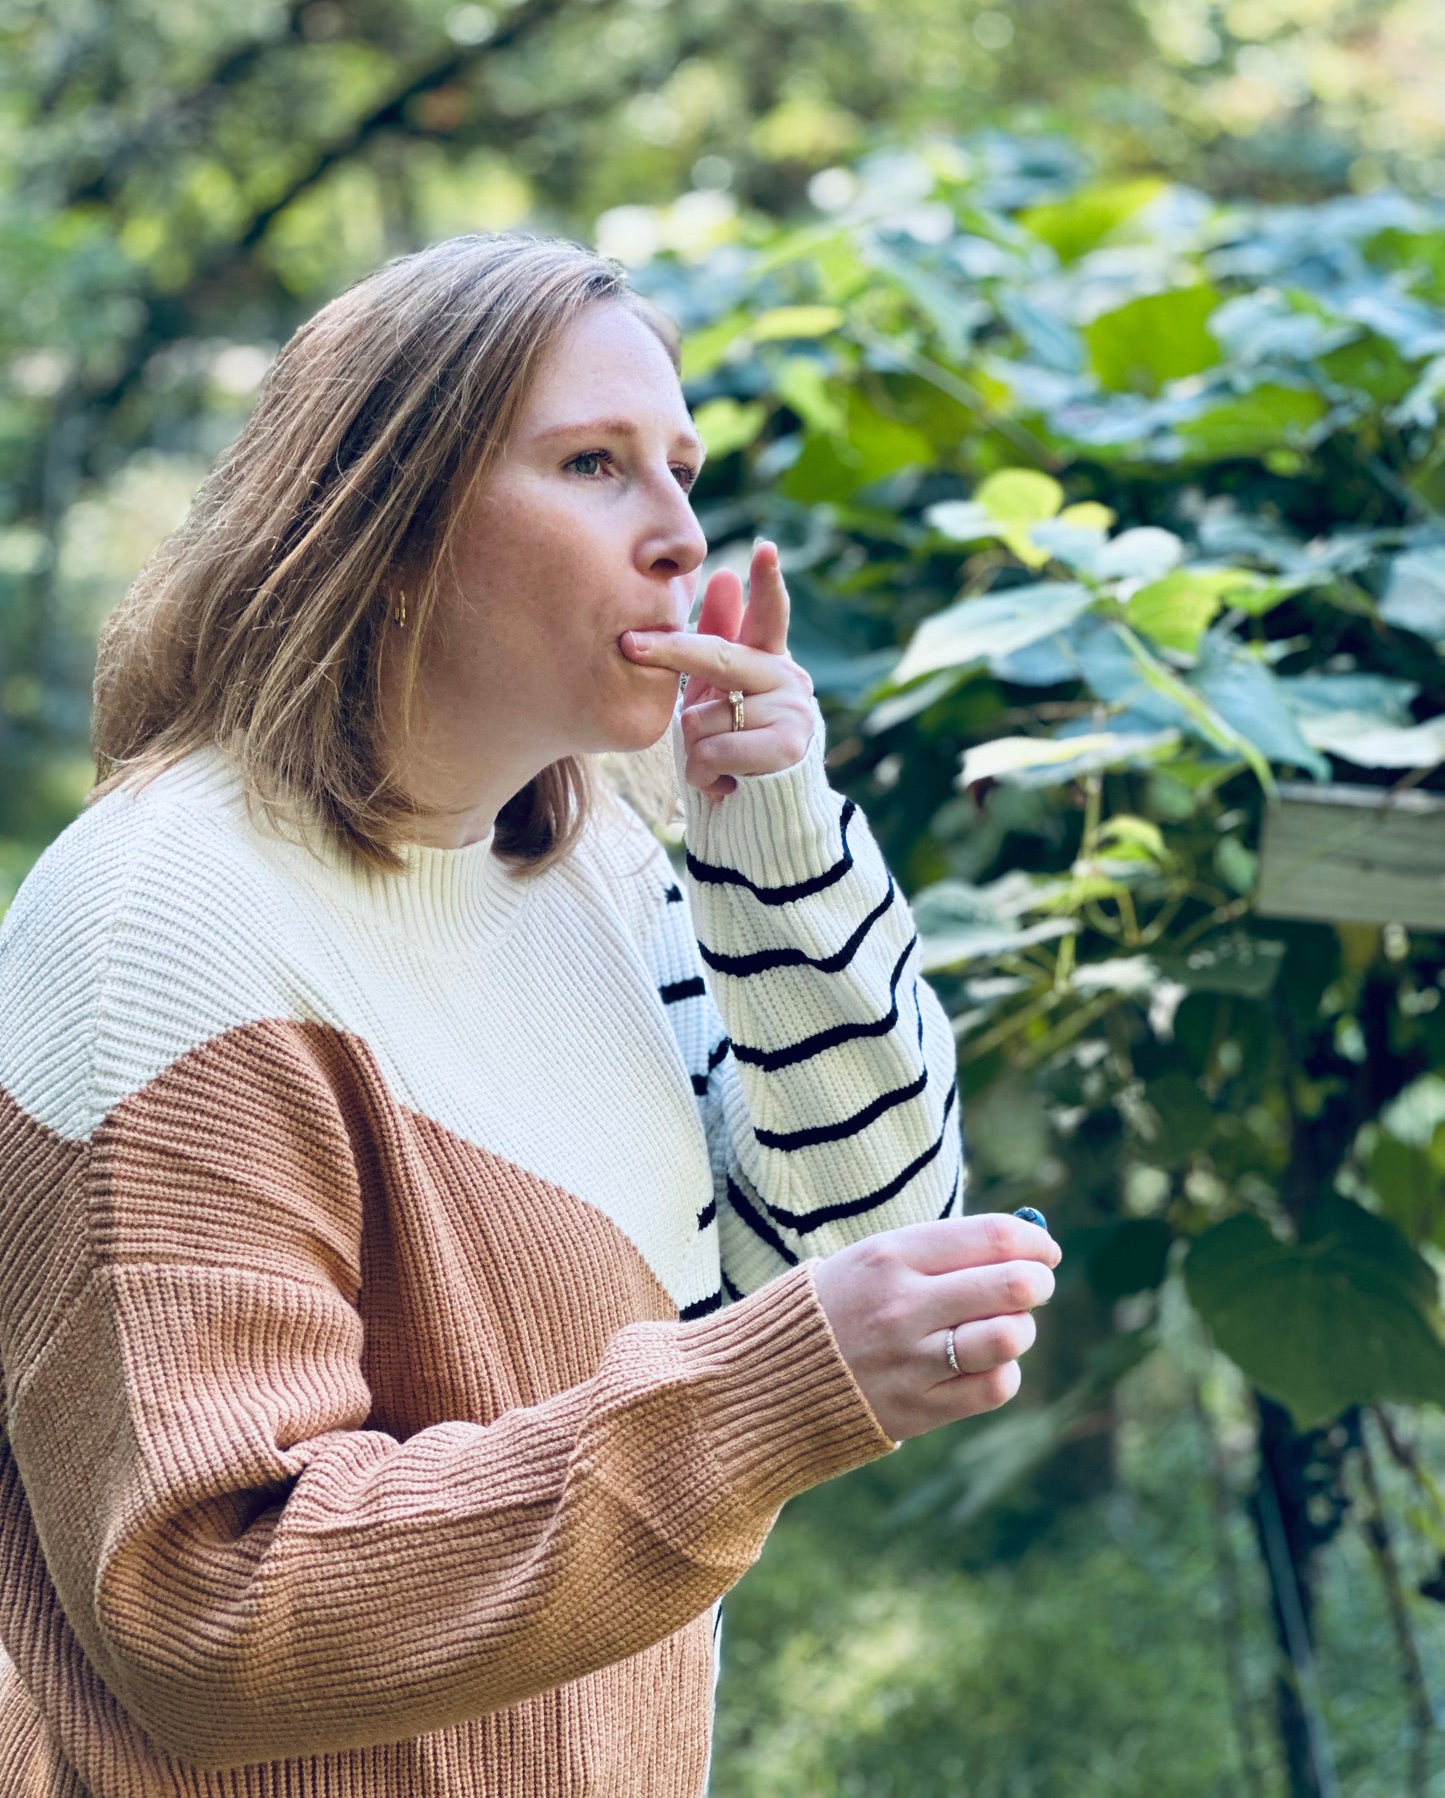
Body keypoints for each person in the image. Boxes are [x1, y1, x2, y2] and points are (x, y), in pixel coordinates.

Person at [0, 232, 1060, 1798]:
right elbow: (211, 1609)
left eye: (681, 471)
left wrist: (772, 835)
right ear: (392, 518)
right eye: (593, 465)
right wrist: (762, 1402)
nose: (679, 534)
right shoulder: (167, 929)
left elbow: (849, 1262)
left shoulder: (593, 862)